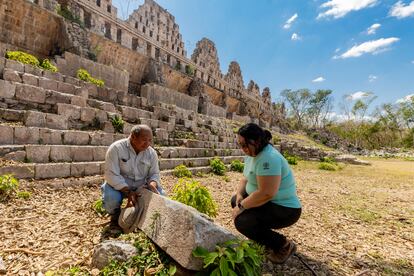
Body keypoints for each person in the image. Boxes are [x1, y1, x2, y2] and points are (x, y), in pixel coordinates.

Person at [231, 123, 301, 264]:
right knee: (235, 201)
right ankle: (261, 236)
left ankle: (284, 245)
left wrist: (242, 207)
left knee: (242, 222)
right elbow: (245, 177)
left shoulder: (268, 158)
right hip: (268, 202)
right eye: (239, 144)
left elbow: (266, 193)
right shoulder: (251, 153)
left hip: (284, 209)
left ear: (256, 142)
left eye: (244, 145)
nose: (242, 149)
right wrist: (239, 194)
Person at [101, 124, 165, 228]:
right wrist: (128, 191)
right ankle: (115, 217)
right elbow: (111, 175)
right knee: (111, 199)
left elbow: (154, 173)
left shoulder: (151, 153)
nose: (148, 144)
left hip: (141, 186)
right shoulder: (116, 148)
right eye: (145, 140)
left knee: (162, 196)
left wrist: (152, 184)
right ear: (133, 137)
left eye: (150, 140)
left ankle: (146, 220)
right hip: (119, 186)